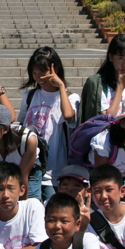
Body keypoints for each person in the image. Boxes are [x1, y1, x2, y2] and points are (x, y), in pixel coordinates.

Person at [20, 46, 79, 200]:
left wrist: (61, 86)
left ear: (55, 70)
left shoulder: (70, 98)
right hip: (31, 167)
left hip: (56, 170)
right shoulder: (29, 96)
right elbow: (21, 124)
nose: (39, 78)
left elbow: (68, 115)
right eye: (34, 73)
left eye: (43, 72)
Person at [79, 34, 125, 121]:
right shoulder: (98, 83)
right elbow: (108, 118)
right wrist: (120, 86)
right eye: (120, 58)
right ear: (111, 56)